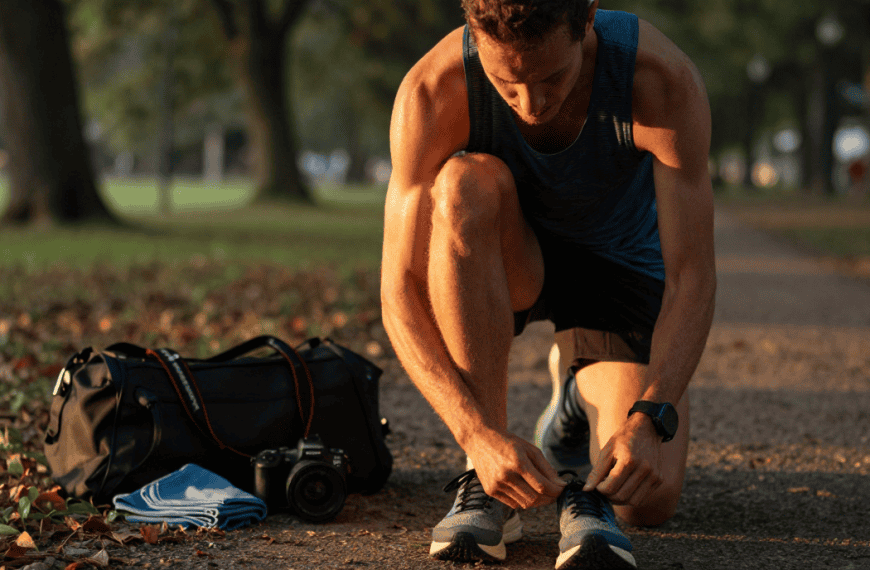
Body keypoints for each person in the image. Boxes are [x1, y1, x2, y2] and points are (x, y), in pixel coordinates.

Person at [380, 0, 716, 567]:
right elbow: (399, 289)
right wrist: (474, 435)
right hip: (507, 256)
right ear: (472, 34)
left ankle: (575, 399)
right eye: (506, 84)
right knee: (460, 186)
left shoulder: (658, 79)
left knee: (643, 502)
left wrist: (651, 417)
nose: (531, 105)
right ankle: (486, 484)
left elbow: (692, 275)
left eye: (552, 77)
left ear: (587, 18)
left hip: (618, 269)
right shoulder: (432, 91)